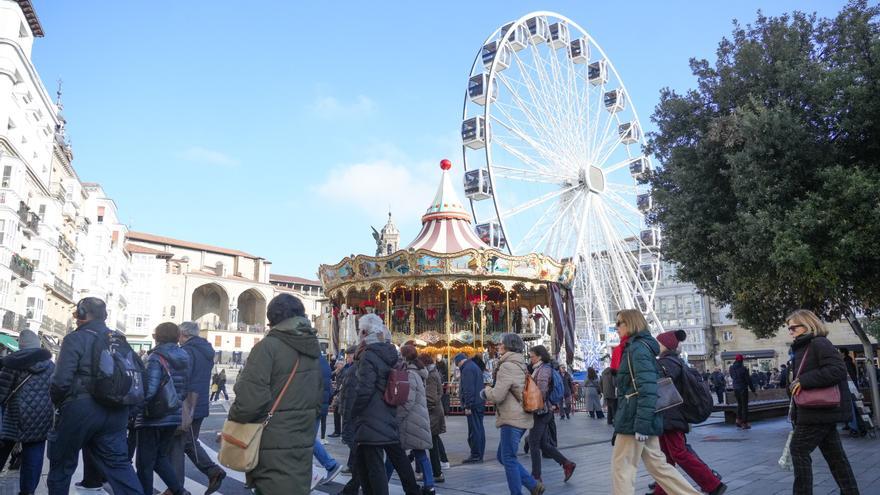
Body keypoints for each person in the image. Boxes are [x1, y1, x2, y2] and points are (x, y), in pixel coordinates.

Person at [227, 293, 322, 495]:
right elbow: (319, 395)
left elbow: (249, 401)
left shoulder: (267, 347)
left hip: (272, 440)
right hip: (302, 438)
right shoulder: (313, 349)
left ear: (272, 317)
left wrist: (234, 417)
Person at [47, 297, 143, 495]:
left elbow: (60, 381)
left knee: (62, 465)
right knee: (119, 465)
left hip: (80, 408)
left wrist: (58, 404)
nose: (75, 318)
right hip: (116, 410)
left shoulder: (75, 338)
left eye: (76, 314)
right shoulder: (118, 338)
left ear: (82, 314)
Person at [610, 309, 700, 495]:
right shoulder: (640, 347)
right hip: (644, 416)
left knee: (623, 468)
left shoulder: (636, 349)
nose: (616, 327)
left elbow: (648, 388)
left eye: (619, 323)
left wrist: (641, 425)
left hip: (634, 417)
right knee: (659, 466)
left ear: (631, 323)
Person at [787, 309, 860, 495]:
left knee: (798, 449)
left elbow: (837, 370)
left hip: (818, 410)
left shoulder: (819, 343)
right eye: (788, 328)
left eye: (793, 328)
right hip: (819, 410)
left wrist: (804, 380)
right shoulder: (803, 346)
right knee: (836, 457)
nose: (790, 332)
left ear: (808, 325)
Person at [351, 314, 419, 495]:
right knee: (397, 457)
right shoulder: (391, 352)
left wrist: (354, 411)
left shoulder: (368, 355)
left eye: (360, 331)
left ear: (364, 333)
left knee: (374, 464)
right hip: (389, 411)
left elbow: (365, 388)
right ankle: (413, 491)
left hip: (371, 415)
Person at [652, 330, 727, 495]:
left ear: (665, 345)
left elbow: (654, 382)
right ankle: (661, 491)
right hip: (669, 415)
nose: (655, 345)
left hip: (670, 415)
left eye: (658, 343)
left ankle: (713, 484)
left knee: (678, 453)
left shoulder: (666, 363)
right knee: (666, 457)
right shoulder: (675, 362)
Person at [481, 333, 543, 495]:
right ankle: (533, 485)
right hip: (521, 415)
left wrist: (485, 391)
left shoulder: (507, 366)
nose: (498, 346)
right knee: (503, 456)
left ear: (509, 346)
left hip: (512, 418)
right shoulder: (520, 364)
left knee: (508, 458)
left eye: (501, 343)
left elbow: (497, 395)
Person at [135, 323, 191, 495]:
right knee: (160, 457)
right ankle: (180, 491)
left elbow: (149, 390)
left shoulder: (155, 357)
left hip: (152, 417)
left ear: (158, 337)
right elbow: (184, 388)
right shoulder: (185, 357)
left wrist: (135, 410)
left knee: (144, 463)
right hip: (173, 415)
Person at [170, 321, 226, 495]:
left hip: (187, 404)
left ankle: (176, 488)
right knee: (189, 441)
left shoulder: (187, 351)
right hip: (199, 403)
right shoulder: (205, 351)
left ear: (184, 334)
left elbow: (183, 378)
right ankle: (212, 472)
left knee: (177, 444)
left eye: (179, 334)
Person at [0, 329, 54, 495]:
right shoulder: (50, 366)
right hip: (41, 417)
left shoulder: (12, 364)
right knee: (34, 456)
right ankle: (28, 491)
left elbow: (1, 393)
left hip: (14, 417)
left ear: (21, 345)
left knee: (3, 449)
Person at [386, 345, 434, 494]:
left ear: (405, 356)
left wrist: (397, 418)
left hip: (411, 419)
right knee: (419, 453)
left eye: (401, 354)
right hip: (417, 418)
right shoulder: (417, 371)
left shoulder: (411, 374)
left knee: (395, 454)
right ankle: (430, 485)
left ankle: (382, 482)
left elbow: (408, 400)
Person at [526, 345, 576, 483]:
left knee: (533, 443)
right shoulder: (540, 368)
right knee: (543, 444)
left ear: (540, 356)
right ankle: (567, 464)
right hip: (544, 410)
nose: (531, 359)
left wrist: (534, 404)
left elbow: (541, 391)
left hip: (541, 411)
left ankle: (536, 476)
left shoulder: (543, 370)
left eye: (532, 356)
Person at [313, 352, 343, 484]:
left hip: (312, 406)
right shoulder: (323, 362)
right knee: (307, 439)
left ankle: (329, 465)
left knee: (305, 439)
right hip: (320, 405)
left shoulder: (311, 361)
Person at [338, 346, 361, 495]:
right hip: (358, 418)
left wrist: (346, 420)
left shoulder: (353, 371)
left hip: (354, 417)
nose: (347, 358)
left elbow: (350, 398)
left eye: (350, 355)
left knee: (359, 452)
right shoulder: (353, 369)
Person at [455, 352, 485, 463]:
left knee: (474, 430)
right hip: (479, 402)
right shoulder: (473, 366)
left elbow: (469, 389)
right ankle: (479, 454)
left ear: (459, 362)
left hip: (473, 405)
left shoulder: (467, 369)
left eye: (457, 365)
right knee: (479, 429)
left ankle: (475, 455)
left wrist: (468, 405)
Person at [421, 354, 446, 484]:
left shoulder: (430, 375)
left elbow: (431, 398)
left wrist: (422, 405)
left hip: (432, 415)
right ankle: (436, 472)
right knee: (432, 444)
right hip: (435, 413)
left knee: (428, 445)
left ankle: (435, 472)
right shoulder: (433, 373)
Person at [728, 354, 755, 429]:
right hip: (743, 388)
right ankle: (744, 423)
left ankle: (738, 420)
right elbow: (748, 380)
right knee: (744, 406)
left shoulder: (731, 368)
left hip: (735, 388)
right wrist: (753, 390)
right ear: (742, 360)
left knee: (739, 405)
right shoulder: (743, 368)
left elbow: (732, 377)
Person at [600, 360, 617, 426]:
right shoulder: (612, 372)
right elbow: (614, 383)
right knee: (614, 407)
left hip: (606, 392)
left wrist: (602, 391)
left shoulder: (603, 373)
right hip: (612, 392)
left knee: (609, 407)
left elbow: (600, 383)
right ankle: (615, 421)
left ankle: (609, 420)